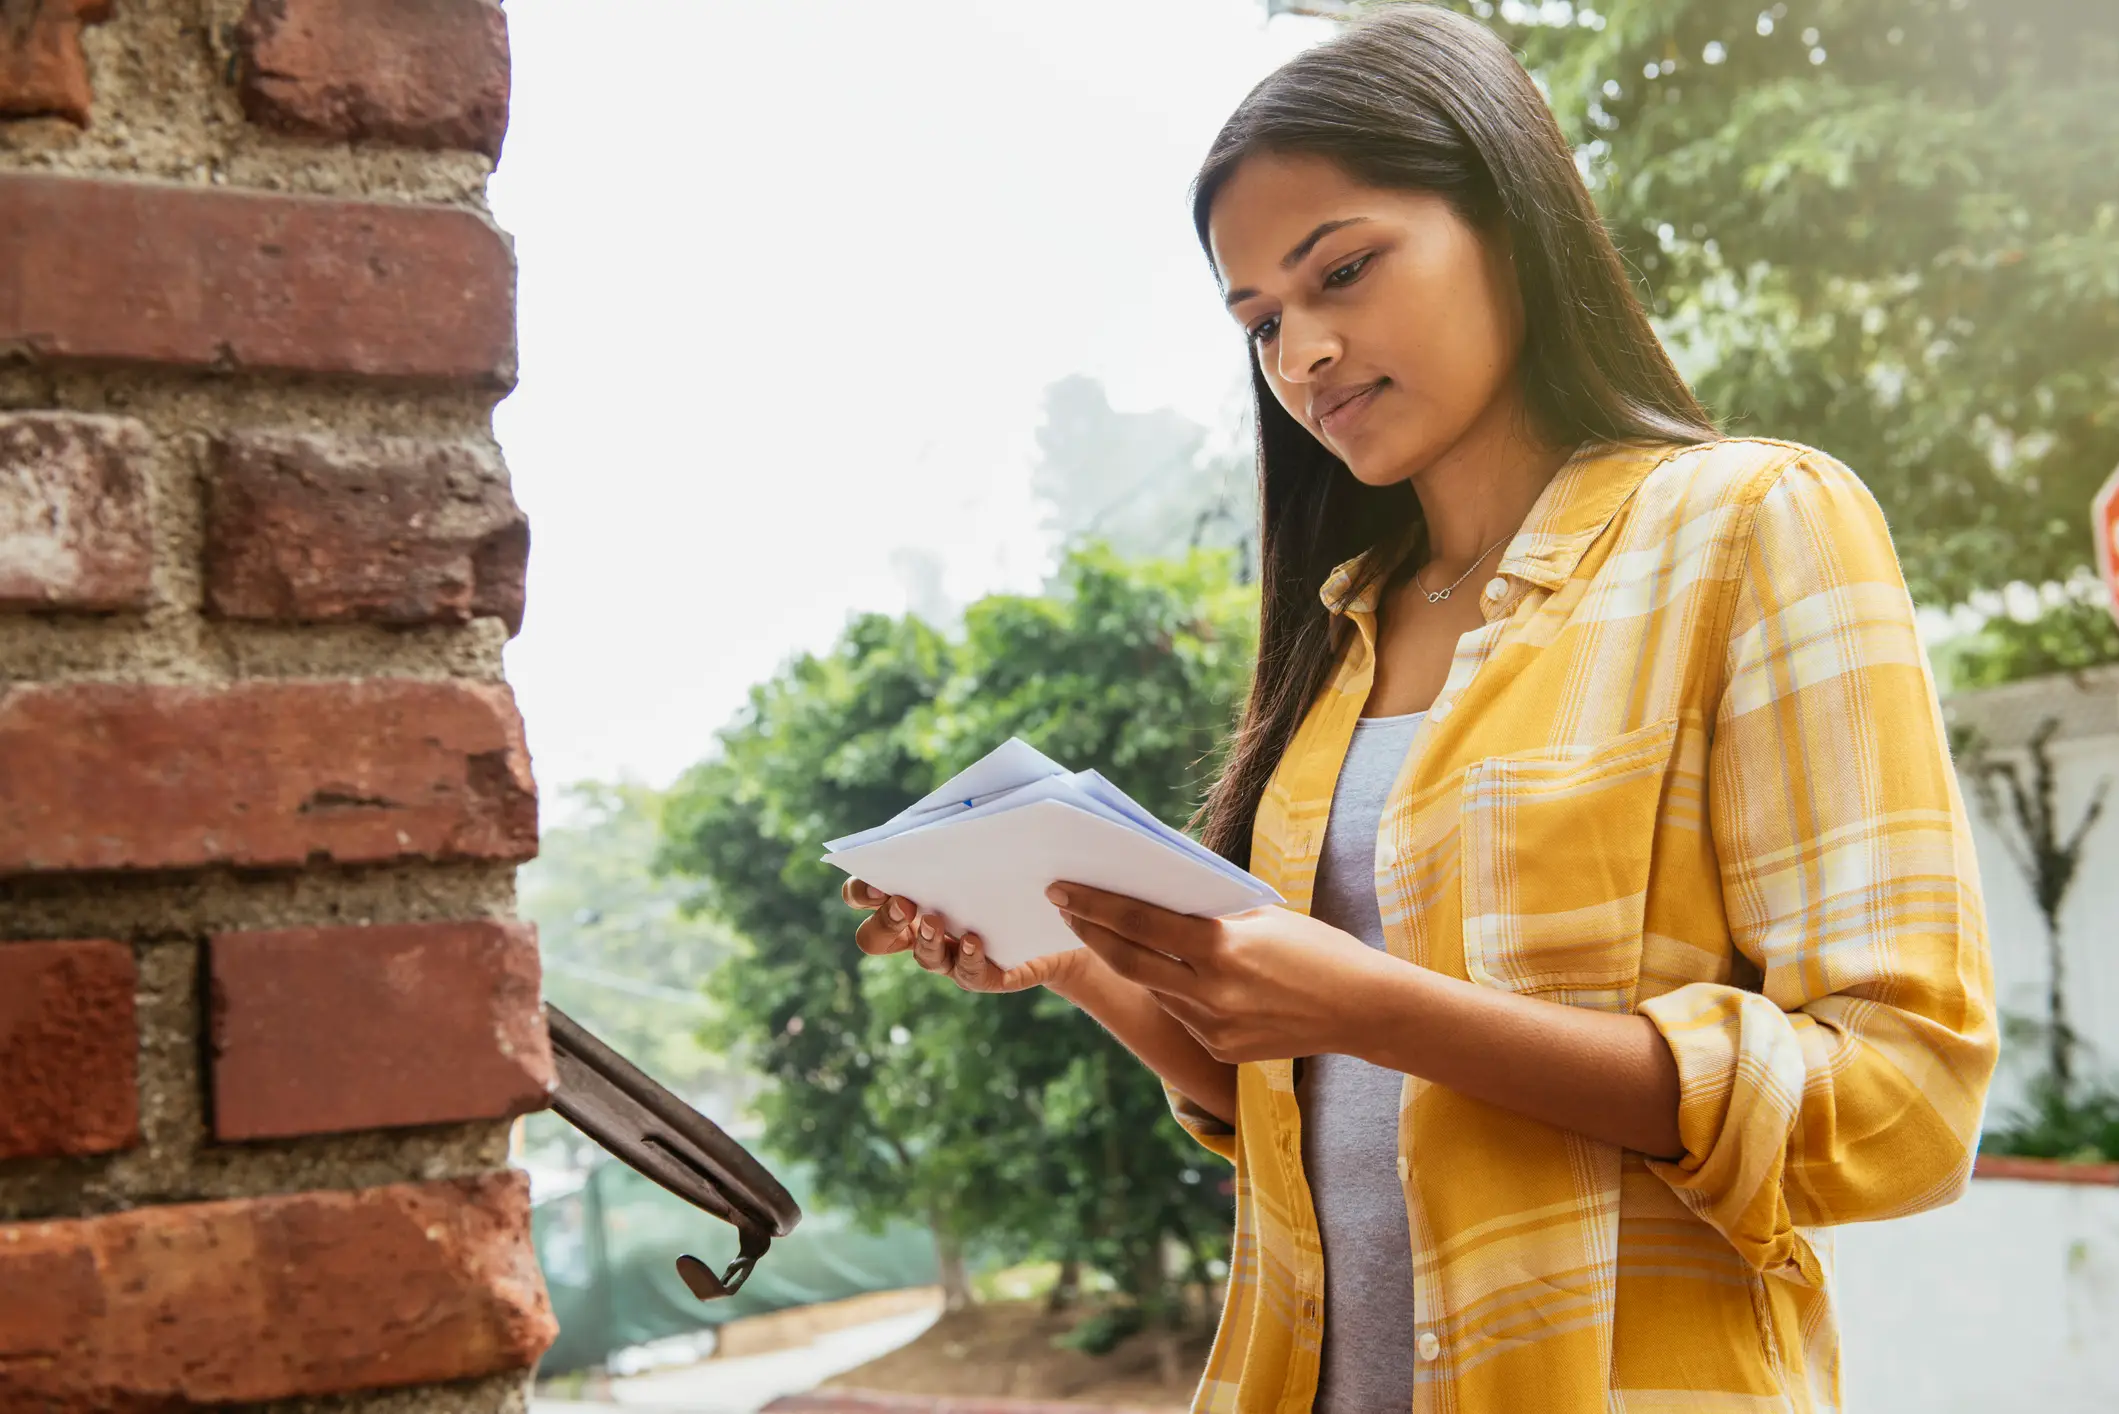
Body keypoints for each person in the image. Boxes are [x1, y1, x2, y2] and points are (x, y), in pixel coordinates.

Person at [841, 5, 1997, 1411]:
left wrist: (1385, 1009)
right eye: (1259, 319)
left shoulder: (1752, 525)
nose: (1301, 353)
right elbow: (1290, 1097)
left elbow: (1902, 1103)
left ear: (1506, 214)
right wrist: (1074, 955)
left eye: (1342, 270)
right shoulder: (1342, 633)